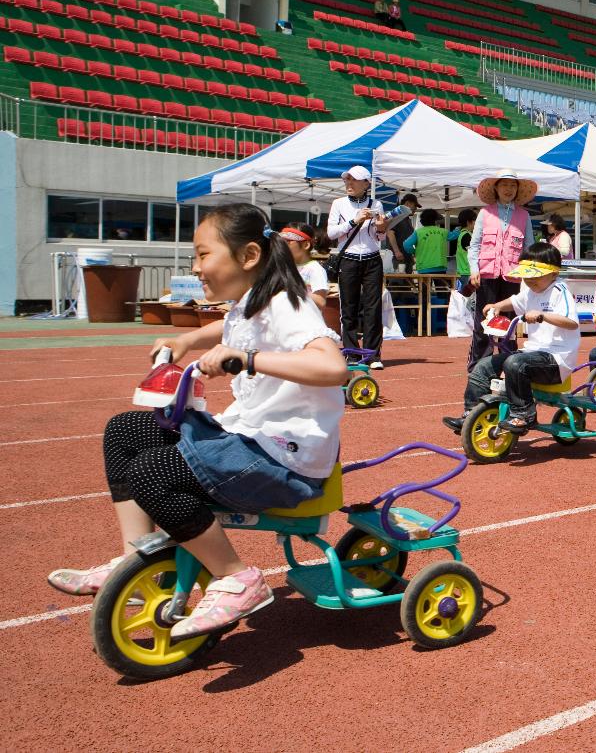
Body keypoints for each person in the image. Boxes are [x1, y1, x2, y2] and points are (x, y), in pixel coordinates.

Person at [47, 204, 349, 639]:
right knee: (124, 432)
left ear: (247, 257)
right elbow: (229, 328)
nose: (196, 267)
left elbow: (332, 368)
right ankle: (137, 557)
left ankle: (237, 577)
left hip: (284, 458)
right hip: (248, 436)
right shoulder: (251, 302)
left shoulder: (289, 303)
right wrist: (186, 338)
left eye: (204, 255)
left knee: (153, 473)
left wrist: (247, 360)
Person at [443, 244, 578, 436]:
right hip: (532, 354)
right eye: (527, 276)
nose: (530, 280)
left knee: (514, 363)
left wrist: (543, 315)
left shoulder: (559, 291)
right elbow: (515, 301)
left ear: (553, 274)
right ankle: (471, 413)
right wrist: (497, 306)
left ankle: (524, 415)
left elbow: (571, 323)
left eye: (536, 276)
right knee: (483, 366)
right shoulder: (530, 291)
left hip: (556, 360)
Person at [466, 169, 538, 369]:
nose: (509, 189)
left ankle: (509, 363)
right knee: (483, 321)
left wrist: (529, 275)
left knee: (509, 322)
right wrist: (474, 269)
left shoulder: (524, 216)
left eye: (513, 185)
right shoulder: (485, 212)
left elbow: (529, 248)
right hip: (486, 275)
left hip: (512, 277)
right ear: (496, 188)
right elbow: (475, 245)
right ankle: (478, 366)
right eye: (504, 185)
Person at [326, 165, 388, 368]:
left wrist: (381, 228)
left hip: (372, 258)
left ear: (366, 183)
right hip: (349, 259)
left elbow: (379, 238)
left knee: (373, 307)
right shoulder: (338, 203)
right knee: (349, 307)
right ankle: (352, 354)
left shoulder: (376, 204)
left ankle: (372, 355)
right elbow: (331, 233)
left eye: (354, 180)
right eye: (347, 179)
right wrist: (354, 221)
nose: (349, 183)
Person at [280, 223, 329, 308]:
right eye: (282, 242)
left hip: (307, 319)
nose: (282, 246)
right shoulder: (286, 266)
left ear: (306, 245)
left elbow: (321, 301)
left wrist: (294, 290)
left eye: (288, 242)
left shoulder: (315, 269)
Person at [385, 193, 420, 272]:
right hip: (398, 257)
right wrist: (397, 251)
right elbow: (390, 233)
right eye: (415, 206)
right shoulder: (397, 215)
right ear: (407, 203)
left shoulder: (407, 219)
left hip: (406, 258)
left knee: (408, 282)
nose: (415, 209)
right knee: (398, 282)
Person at [404, 209, 447, 274]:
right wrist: (458, 229)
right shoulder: (443, 231)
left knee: (424, 284)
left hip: (424, 267)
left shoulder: (418, 232)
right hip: (440, 266)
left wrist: (414, 251)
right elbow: (454, 235)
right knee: (441, 284)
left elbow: (406, 244)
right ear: (435, 221)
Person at [451, 207, 477, 287]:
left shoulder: (465, 234)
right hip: (466, 273)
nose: (476, 223)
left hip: (464, 272)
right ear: (469, 222)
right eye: (474, 220)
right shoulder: (466, 235)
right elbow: (473, 253)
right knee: (468, 298)